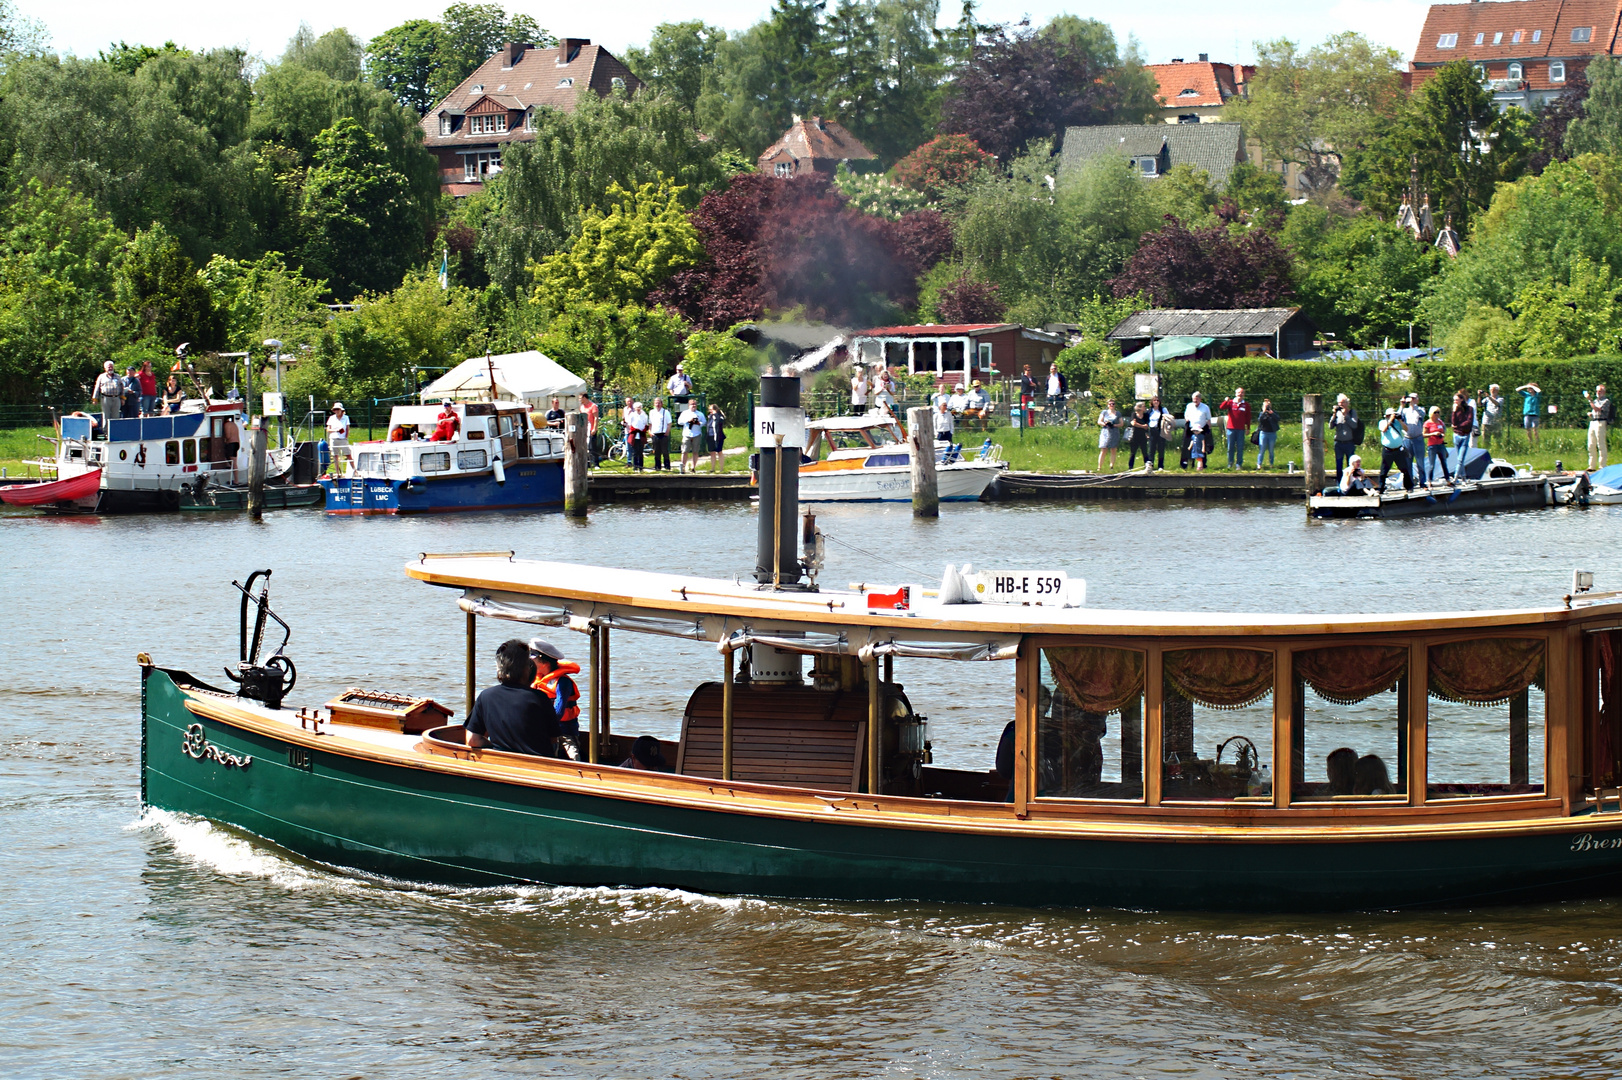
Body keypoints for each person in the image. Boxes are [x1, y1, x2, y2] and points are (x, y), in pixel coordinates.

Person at [465, 639, 559, 758]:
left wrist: (494, 747)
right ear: (527, 668)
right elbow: (553, 741)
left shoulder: (486, 696)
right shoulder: (540, 698)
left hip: (501, 765)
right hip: (537, 767)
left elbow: (472, 740)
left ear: (499, 667)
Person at [528, 638, 581, 757]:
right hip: (543, 728)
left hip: (565, 729)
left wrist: (544, 724)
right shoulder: (536, 679)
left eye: (533, 660)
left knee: (573, 754)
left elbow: (559, 710)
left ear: (544, 663)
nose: (530, 663)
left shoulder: (563, 682)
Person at [1377, 407, 1414, 492]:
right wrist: (1390, 420)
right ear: (1387, 416)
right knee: (1384, 470)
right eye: (1391, 415)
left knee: (1404, 468)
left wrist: (1400, 420)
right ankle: (1380, 488)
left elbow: (1406, 429)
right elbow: (1384, 429)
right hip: (1388, 450)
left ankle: (1409, 487)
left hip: (1398, 450)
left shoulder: (1397, 423)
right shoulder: (1382, 422)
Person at [1219, 386, 1252, 469]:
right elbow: (1222, 407)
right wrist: (1225, 401)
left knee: (1240, 447)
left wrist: (1248, 428)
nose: (1240, 394)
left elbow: (1248, 417)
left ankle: (1238, 464)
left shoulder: (1246, 405)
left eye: (1242, 393)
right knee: (1230, 447)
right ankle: (1230, 463)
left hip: (1241, 429)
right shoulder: (1230, 402)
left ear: (1244, 394)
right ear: (1235, 394)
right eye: (1238, 393)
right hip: (1230, 428)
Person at [1399, 393, 1427, 484]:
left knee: (1420, 462)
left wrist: (1413, 405)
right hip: (1407, 439)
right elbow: (1398, 416)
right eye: (1411, 398)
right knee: (1408, 463)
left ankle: (1422, 482)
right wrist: (1402, 405)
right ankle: (1410, 484)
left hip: (1418, 439)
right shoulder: (1405, 411)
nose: (1412, 399)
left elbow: (1422, 414)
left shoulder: (1420, 409)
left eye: (1414, 398)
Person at [1330, 394, 1359, 478]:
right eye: (1339, 403)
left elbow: (1354, 425)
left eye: (1343, 403)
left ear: (1347, 403)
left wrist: (1346, 416)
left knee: (1351, 464)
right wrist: (1334, 415)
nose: (1341, 405)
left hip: (1349, 442)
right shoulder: (1337, 414)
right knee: (1339, 464)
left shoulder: (1352, 412)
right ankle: (1339, 483)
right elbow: (1330, 426)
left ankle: (1350, 481)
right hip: (1338, 443)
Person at [1423, 405, 1452, 485]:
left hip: (1441, 444)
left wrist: (1441, 434)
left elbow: (1444, 430)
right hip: (1432, 445)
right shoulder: (1428, 423)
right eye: (1435, 412)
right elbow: (1424, 435)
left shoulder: (1440, 422)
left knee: (1444, 463)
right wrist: (1433, 434)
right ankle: (1429, 480)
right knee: (1432, 464)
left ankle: (1448, 479)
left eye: (1438, 412)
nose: (1436, 414)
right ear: (1431, 413)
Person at [1184, 391, 1212, 470]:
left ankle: (1203, 464)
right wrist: (1187, 420)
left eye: (1196, 400)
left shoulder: (1205, 407)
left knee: (1202, 447)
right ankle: (1190, 464)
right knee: (1191, 447)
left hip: (1202, 429)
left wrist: (1209, 429)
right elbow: (1186, 415)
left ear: (1200, 399)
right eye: (1193, 400)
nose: (1195, 402)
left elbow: (1208, 418)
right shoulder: (1189, 406)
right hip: (1191, 429)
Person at [1587, 384, 1613, 470]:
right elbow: (1594, 410)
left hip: (1601, 422)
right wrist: (1591, 413)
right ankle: (1592, 465)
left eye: (1600, 391)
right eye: (1597, 391)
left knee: (1600, 443)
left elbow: (1598, 409)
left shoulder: (1606, 401)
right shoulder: (1595, 401)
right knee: (1591, 444)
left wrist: (1589, 400)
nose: (1598, 393)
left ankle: (1602, 465)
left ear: (1604, 392)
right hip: (1593, 421)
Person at [94, 361, 124, 430]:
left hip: (116, 398)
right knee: (106, 415)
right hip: (105, 398)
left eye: (111, 366)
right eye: (108, 367)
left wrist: (122, 399)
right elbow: (97, 388)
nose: (110, 368)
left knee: (116, 415)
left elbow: (122, 388)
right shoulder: (101, 377)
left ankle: (115, 430)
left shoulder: (118, 376)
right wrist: (95, 399)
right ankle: (106, 432)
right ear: (105, 368)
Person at [677, 398, 704, 473]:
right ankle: (683, 467)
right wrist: (688, 421)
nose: (693, 406)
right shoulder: (685, 413)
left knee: (695, 451)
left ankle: (693, 467)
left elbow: (704, 422)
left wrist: (699, 423)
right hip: (687, 434)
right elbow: (679, 422)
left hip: (697, 434)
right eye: (692, 404)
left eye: (695, 404)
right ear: (689, 405)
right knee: (684, 451)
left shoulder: (700, 414)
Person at [1096, 398, 1123, 472]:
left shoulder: (1118, 413)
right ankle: (1099, 467)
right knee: (1103, 449)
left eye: (1113, 404)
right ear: (1108, 405)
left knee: (1113, 449)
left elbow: (1121, 423)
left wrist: (1114, 425)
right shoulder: (1104, 412)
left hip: (1114, 432)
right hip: (1105, 431)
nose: (1111, 405)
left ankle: (1111, 466)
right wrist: (1105, 424)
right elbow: (1099, 421)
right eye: (1110, 404)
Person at [1146, 394, 1172, 470]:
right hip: (1152, 430)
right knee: (1151, 448)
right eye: (1154, 400)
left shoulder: (1163, 410)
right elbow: (1146, 421)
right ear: (1152, 402)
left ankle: (1161, 466)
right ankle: (1151, 465)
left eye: (1157, 400)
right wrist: (1146, 432)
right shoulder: (1149, 411)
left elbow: (1168, 418)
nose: (1156, 402)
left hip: (1160, 430)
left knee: (1161, 448)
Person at [648, 396, 673, 471]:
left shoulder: (666, 412)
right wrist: (650, 432)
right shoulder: (651, 412)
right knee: (656, 451)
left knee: (665, 451)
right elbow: (650, 424)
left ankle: (667, 466)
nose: (657, 404)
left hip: (663, 434)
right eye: (656, 403)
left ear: (661, 404)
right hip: (655, 434)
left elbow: (669, 423)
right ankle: (657, 467)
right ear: (654, 404)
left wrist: (667, 432)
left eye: (659, 403)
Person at [1516, 382, 1543, 450]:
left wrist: (1533, 386)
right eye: (1529, 388)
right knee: (1528, 429)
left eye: (1531, 388)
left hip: (1535, 414)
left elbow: (1539, 390)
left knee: (1535, 429)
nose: (1529, 389)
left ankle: (1537, 442)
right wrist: (1525, 386)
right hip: (1527, 414)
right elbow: (1517, 389)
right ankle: (1530, 442)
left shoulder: (1537, 395)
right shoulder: (1526, 395)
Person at [624, 399, 649, 471]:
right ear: (634, 408)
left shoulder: (644, 415)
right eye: (637, 407)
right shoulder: (632, 415)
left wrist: (643, 430)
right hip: (634, 434)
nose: (638, 409)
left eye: (639, 407)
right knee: (635, 451)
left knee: (640, 451)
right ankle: (635, 466)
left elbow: (645, 424)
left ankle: (641, 467)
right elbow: (629, 424)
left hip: (641, 434)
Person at [326, 403, 351, 474]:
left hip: (343, 439)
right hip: (334, 438)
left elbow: (347, 429)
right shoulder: (331, 418)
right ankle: (337, 473)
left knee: (348, 454)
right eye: (335, 409)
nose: (336, 411)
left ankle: (355, 471)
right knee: (335, 456)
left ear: (341, 410)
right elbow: (328, 429)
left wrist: (346, 437)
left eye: (338, 409)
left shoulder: (346, 417)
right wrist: (336, 430)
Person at [1126, 401, 1151, 469]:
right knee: (1133, 452)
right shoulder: (1134, 414)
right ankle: (1130, 467)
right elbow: (1133, 423)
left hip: (1143, 436)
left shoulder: (1146, 415)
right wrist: (1142, 426)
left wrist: (1140, 425)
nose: (1145, 408)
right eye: (1144, 406)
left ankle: (1147, 467)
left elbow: (1147, 425)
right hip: (1134, 436)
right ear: (1140, 408)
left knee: (1145, 452)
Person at [1255, 398, 1280, 468]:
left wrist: (1272, 414)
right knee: (1262, 449)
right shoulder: (1262, 413)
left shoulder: (1273, 413)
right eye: (1266, 406)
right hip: (1263, 433)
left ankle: (1271, 464)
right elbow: (1260, 420)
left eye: (1268, 406)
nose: (1267, 407)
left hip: (1272, 433)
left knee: (1271, 450)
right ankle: (1259, 464)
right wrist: (1263, 412)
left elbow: (1278, 419)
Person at [1479, 384, 1504, 450]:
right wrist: (1479, 396)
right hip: (1486, 421)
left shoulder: (1500, 399)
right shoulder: (1486, 399)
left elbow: (1496, 403)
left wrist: (1489, 397)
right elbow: (1479, 404)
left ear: (1497, 391)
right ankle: (1486, 450)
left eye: (1494, 390)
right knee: (1485, 438)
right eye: (1491, 390)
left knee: (1498, 438)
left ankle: (1498, 450)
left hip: (1496, 421)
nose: (1492, 391)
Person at [1450, 390, 1474, 459]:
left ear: (1461, 399)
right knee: (1459, 458)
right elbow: (1454, 422)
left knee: (1460, 459)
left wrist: (1458, 426)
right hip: (1456, 435)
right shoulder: (1455, 410)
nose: (1455, 402)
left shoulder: (1469, 409)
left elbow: (1469, 421)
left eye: (1457, 400)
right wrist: (1454, 411)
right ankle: (1462, 470)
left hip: (1465, 435)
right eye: (1454, 400)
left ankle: (1457, 470)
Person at [704, 402, 727, 472]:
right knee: (712, 452)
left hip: (718, 436)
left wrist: (716, 413)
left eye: (710, 409)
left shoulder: (719, 416)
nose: (709, 411)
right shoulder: (710, 416)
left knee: (719, 451)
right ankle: (713, 468)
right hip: (710, 435)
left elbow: (720, 421)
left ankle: (721, 468)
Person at [582, 393, 601, 466]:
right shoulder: (582, 407)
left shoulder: (593, 406)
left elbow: (596, 418)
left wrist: (594, 428)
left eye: (581, 398)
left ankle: (596, 464)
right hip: (585, 428)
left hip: (591, 427)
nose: (580, 400)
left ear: (585, 398)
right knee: (586, 446)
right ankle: (588, 463)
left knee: (592, 446)